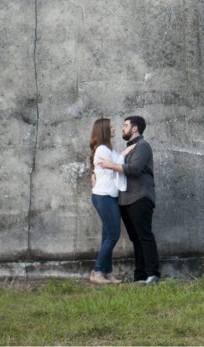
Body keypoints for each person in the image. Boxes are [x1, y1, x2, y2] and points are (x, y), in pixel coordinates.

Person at [99, 115, 160, 283]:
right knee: (135, 238)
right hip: (125, 200)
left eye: (125, 125)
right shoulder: (128, 149)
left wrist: (111, 165)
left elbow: (134, 169)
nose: (122, 128)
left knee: (144, 236)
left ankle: (153, 274)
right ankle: (140, 276)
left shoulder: (142, 146)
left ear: (134, 129)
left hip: (140, 197)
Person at [88, 117, 135, 285]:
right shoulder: (102, 149)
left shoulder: (108, 149)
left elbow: (117, 160)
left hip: (109, 196)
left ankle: (107, 272)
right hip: (104, 196)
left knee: (107, 235)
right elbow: (116, 165)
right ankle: (97, 271)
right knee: (113, 234)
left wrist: (125, 152)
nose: (115, 129)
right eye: (111, 127)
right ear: (104, 131)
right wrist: (125, 153)